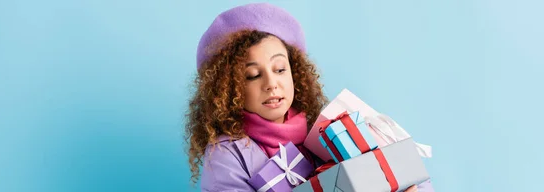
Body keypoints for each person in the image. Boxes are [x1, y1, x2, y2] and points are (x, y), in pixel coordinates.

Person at [184, 3, 433, 191]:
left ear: (295, 74)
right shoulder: (226, 155)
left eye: (280, 69)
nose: (271, 84)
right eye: (252, 75)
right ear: (230, 89)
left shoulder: (329, 130)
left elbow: (406, 174)